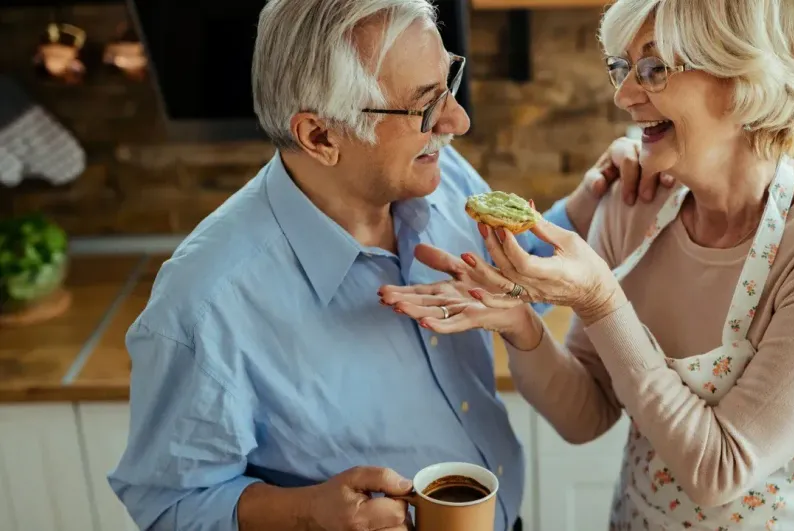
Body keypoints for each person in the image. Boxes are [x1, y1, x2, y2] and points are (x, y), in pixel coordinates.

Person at [105, 1, 669, 530]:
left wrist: (596, 194)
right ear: (320, 136)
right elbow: (168, 502)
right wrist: (309, 512)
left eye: (448, 81)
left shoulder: (437, 174)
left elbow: (509, 288)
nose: (457, 120)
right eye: (426, 104)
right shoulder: (204, 304)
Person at [380, 0, 794, 529]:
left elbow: (720, 470)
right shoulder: (635, 206)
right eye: (622, 67)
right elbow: (586, 413)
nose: (624, 95)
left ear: (745, 79)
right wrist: (521, 325)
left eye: (653, 69)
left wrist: (600, 301)